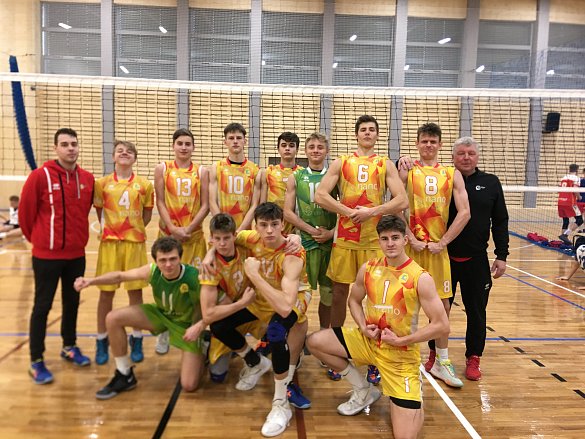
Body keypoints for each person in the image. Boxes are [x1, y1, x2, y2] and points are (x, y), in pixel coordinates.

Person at [306, 215, 449, 439]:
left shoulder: (420, 277)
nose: (390, 243)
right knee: (315, 342)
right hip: (369, 341)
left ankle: (413, 393)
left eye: (395, 238)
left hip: (400, 355)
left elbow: (442, 325)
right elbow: (353, 301)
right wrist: (363, 326)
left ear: (405, 240)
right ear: (379, 241)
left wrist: (402, 340)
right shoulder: (368, 268)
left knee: (404, 436)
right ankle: (363, 390)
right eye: (384, 238)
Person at [314, 115, 408, 384]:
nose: (367, 133)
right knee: (339, 294)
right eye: (363, 129)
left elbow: (402, 199)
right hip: (345, 239)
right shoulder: (341, 162)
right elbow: (320, 195)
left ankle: (375, 356)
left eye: (372, 130)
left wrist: (372, 211)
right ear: (356, 135)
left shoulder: (385, 163)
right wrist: (347, 212)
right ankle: (336, 349)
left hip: (374, 241)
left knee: (376, 298)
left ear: (377, 135)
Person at [209, 203, 311, 437]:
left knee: (276, 332)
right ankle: (255, 361)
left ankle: (280, 405)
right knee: (219, 324)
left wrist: (254, 274)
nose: (269, 231)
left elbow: (285, 307)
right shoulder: (250, 238)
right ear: (256, 226)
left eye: (275, 224)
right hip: (263, 297)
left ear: (283, 225)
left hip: (293, 299)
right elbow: (224, 238)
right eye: (263, 225)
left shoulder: (293, 254)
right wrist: (208, 254)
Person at [74, 237, 206, 399]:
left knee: (189, 385)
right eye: (163, 260)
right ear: (155, 261)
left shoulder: (194, 276)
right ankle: (124, 373)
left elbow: (210, 307)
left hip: (186, 325)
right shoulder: (152, 271)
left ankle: (203, 349)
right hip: (161, 315)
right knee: (113, 318)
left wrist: (199, 326)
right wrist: (91, 281)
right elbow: (119, 276)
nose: (168, 265)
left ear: (180, 258)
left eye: (173, 259)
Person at [19, 128, 95, 384]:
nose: (70, 148)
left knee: (72, 303)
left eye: (74, 143)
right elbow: (25, 215)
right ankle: (36, 360)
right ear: (56, 148)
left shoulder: (87, 178)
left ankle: (69, 346)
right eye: (64, 144)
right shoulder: (39, 176)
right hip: (46, 257)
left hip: (76, 256)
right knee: (42, 306)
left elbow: (84, 212)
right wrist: (41, 242)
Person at [397, 122, 470, 388]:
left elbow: (465, 212)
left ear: (439, 145)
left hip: (438, 251)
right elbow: (395, 206)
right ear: (417, 143)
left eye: (433, 141)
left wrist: (444, 242)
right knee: (405, 306)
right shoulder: (407, 170)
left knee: (443, 308)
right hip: (411, 249)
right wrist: (410, 237)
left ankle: (442, 361)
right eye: (424, 141)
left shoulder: (452, 174)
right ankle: (404, 360)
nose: (428, 145)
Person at [448, 137, 509, 381]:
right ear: (453, 157)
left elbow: (500, 220)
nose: (466, 157)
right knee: (438, 311)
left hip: (476, 260)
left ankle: (473, 357)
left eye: (470, 153)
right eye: (461, 153)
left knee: (477, 312)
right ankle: (435, 355)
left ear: (477, 157)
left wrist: (501, 255)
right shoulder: (442, 179)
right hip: (444, 258)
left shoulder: (491, 183)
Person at [93, 140, 154, 365]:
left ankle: (136, 338)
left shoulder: (145, 185)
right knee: (105, 294)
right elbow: (99, 212)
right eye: (120, 151)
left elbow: (147, 215)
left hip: (134, 244)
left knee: (135, 293)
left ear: (135, 158)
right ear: (113, 157)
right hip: (109, 244)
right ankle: (102, 340)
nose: (124, 153)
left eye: (129, 151)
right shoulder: (101, 184)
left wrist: (132, 230)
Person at [283, 132, 338, 378]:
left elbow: (345, 209)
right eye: (311, 147)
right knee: (299, 295)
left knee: (328, 297)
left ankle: (325, 340)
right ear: (305, 151)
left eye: (320, 147)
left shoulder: (335, 176)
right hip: (304, 245)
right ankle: (295, 345)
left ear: (326, 151)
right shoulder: (295, 177)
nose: (315, 150)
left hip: (329, 246)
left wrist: (331, 234)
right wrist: (310, 230)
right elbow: (287, 212)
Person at [153, 128, 209, 355]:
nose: (184, 147)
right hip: (168, 238)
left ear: (193, 147)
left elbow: (205, 205)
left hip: (193, 237)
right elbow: (160, 201)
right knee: (165, 286)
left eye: (188, 143)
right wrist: (173, 229)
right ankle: (164, 330)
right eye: (180, 143)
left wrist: (188, 228)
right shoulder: (162, 168)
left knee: (197, 287)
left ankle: (197, 331)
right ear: (173, 146)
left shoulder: (201, 171)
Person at [209, 123, 261, 232]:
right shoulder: (217, 167)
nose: (235, 141)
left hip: (244, 231)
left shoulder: (255, 170)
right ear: (225, 142)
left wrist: (239, 231)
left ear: (245, 141)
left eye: (239, 138)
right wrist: (223, 228)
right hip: (222, 232)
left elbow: (255, 205)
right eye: (231, 138)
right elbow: (212, 201)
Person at [261, 131, 302, 234]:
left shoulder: (302, 173)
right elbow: (262, 204)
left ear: (297, 149)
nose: (287, 148)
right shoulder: (269, 172)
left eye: (291, 145)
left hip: (295, 228)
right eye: (284, 145)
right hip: (272, 225)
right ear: (278, 149)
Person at [557, 163, 583, 246]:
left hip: (561, 202)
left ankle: (564, 242)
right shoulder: (576, 178)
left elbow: (559, 190)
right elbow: (575, 189)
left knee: (565, 220)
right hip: (570, 203)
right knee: (580, 220)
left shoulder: (563, 178)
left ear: (569, 169)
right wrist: (579, 197)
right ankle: (565, 235)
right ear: (577, 170)